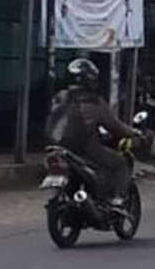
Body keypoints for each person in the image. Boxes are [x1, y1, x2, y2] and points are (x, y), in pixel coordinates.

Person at [46, 57, 139, 211]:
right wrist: (132, 132)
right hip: (84, 148)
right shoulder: (93, 101)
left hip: (56, 145)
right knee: (120, 164)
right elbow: (115, 126)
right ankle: (117, 199)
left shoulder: (60, 96)